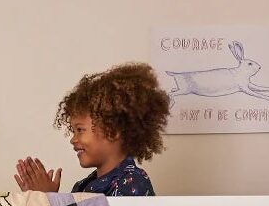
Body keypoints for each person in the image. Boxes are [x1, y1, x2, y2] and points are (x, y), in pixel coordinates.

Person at [14, 62, 168, 197]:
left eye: (80, 130)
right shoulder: (82, 186)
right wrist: (49, 199)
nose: (73, 139)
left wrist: (49, 201)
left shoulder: (133, 184)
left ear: (113, 131)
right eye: (73, 131)